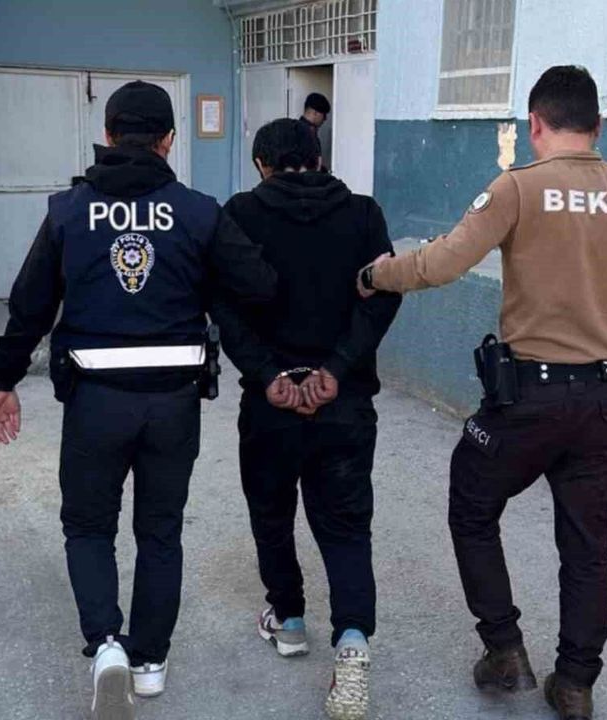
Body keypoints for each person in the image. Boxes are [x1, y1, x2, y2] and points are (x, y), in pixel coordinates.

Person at [356, 66, 607, 720]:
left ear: (534, 124)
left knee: (472, 504)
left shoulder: (519, 188)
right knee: (587, 542)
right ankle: (576, 683)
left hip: (529, 400)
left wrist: (375, 276)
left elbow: (441, 263)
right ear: (598, 126)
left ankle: (504, 649)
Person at [0, 80, 277, 720]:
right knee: (160, 532)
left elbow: (30, 305)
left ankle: (106, 646)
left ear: (109, 134)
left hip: (95, 401)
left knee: (89, 527)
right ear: (169, 140)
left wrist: (4, 381)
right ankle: (149, 663)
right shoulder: (198, 212)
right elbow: (258, 284)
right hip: (173, 402)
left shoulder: (69, 211)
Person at [211, 118, 401, 720]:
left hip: (270, 404)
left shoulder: (240, 213)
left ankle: (289, 619)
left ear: (261, 165)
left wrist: (269, 375)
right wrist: (336, 371)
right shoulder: (364, 214)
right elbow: (383, 296)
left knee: (271, 512)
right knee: (346, 525)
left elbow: (224, 306)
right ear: (317, 159)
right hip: (343, 401)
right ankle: (353, 643)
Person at [300, 92, 331, 170]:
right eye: (324, 115)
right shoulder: (302, 133)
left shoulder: (309, 132)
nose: (325, 119)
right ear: (315, 113)